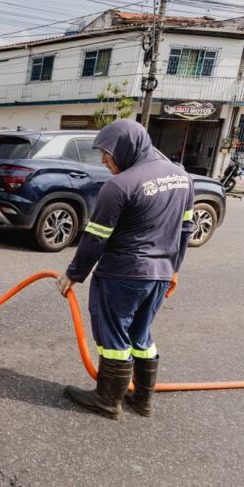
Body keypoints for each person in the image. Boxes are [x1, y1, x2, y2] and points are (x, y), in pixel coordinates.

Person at [56, 120, 195, 420]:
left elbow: (95, 236)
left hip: (123, 273)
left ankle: (107, 400)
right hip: (160, 273)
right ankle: (142, 401)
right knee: (140, 334)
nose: (104, 161)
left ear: (125, 148)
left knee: (114, 336)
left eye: (107, 153)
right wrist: (175, 269)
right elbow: (185, 229)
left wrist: (74, 274)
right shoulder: (182, 178)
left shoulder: (120, 185)